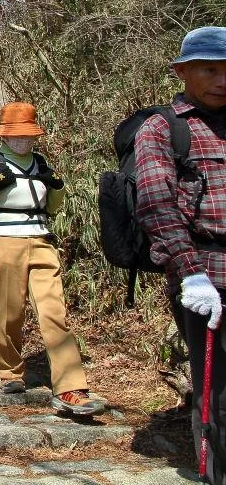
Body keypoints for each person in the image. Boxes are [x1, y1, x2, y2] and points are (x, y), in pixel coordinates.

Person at [0, 102, 104, 415]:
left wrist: (57, 187)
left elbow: (53, 208)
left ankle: (70, 388)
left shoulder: (41, 163)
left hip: (41, 241)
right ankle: (9, 372)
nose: (23, 141)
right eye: (17, 135)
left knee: (55, 312)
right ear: (4, 136)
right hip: (3, 241)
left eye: (28, 135)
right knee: (10, 311)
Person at [135, 26, 226, 481]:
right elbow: (155, 202)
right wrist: (190, 272)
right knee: (218, 394)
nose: (221, 80)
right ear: (184, 72)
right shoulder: (163, 128)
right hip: (206, 276)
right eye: (209, 69)